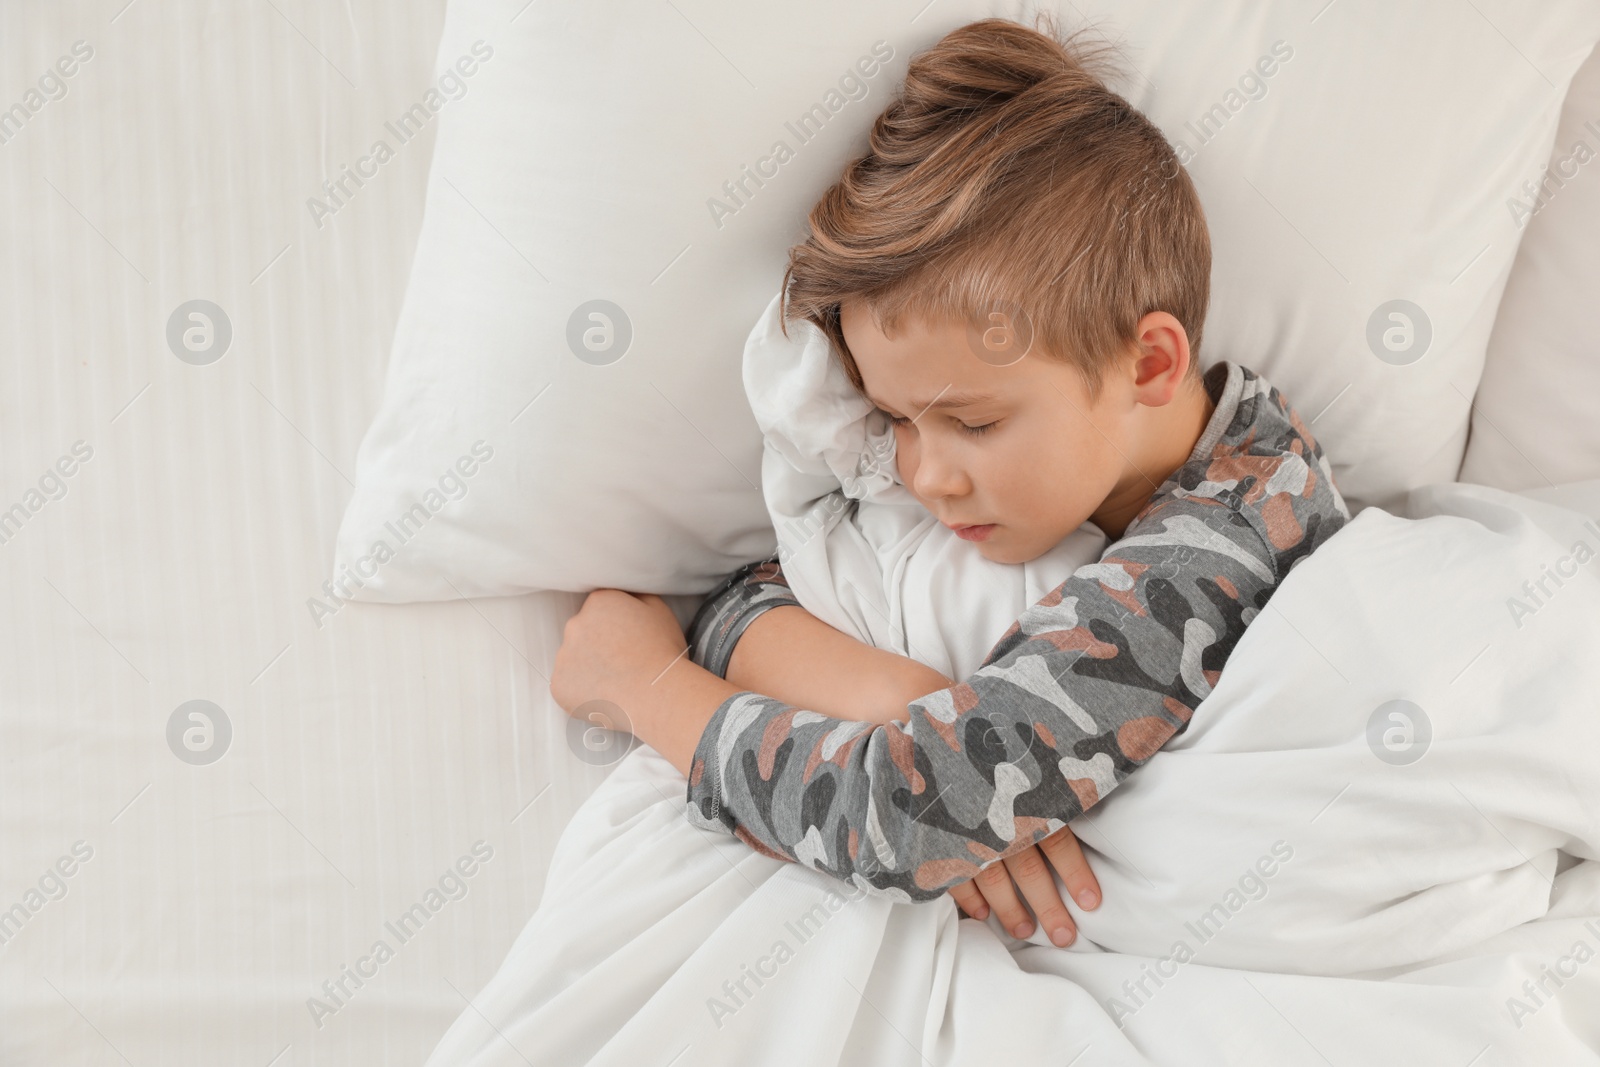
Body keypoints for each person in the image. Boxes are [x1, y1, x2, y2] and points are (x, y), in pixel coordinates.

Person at [549, 14, 1349, 951]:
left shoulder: (1217, 551)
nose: (923, 474)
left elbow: (899, 814)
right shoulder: (1066, 476)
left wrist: (644, 685)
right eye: (893, 420)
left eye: (972, 422)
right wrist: (904, 700)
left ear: (1147, 365)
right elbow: (763, 599)